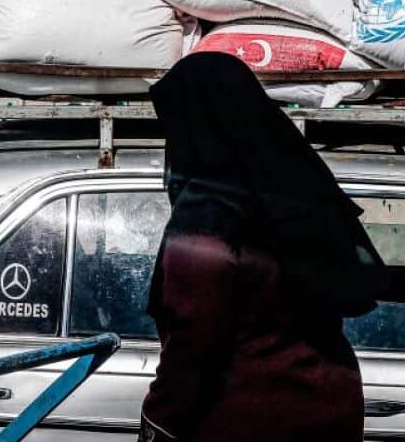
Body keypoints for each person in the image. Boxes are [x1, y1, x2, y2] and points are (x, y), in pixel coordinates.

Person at [139, 52, 387, 442]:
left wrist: (158, 422)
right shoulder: (300, 192)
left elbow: (194, 341)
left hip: (248, 414)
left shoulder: (207, 215)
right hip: (331, 404)